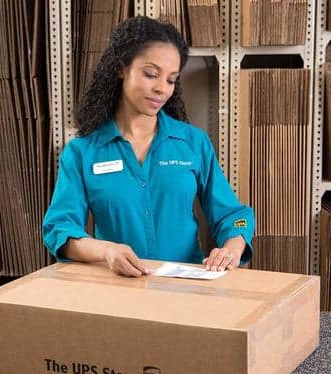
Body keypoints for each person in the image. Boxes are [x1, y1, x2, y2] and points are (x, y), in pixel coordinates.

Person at [43, 16, 254, 277]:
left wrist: (232, 248)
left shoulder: (193, 143)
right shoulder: (81, 153)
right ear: (121, 68)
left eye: (171, 80)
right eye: (151, 74)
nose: (161, 89)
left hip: (185, 291)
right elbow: (59, 228)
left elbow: (234, 215)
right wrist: (106, 251)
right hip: (118, 291)